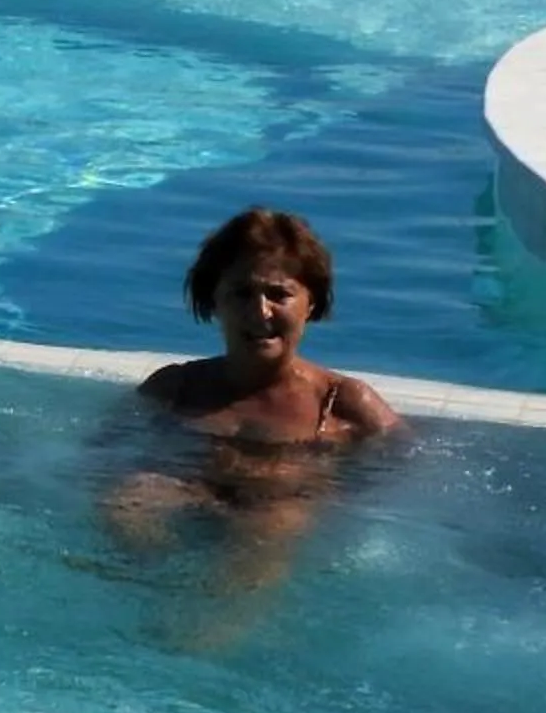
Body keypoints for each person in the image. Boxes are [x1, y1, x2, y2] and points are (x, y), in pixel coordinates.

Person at [100, 207, 403, 616]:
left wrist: (332, 500)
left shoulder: (342, 403)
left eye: (279, 294)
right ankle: (146, 598)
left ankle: (207, 640)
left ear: (310, 303)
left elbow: (405, 470)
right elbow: (103, 450)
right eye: (241, 293)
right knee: (125, 504)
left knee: (268, 531)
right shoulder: (175, 388)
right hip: (189, 485)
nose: (260, 312)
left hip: (278, 503)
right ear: (214, 301)